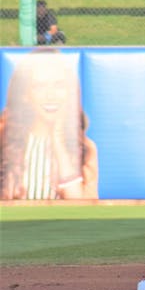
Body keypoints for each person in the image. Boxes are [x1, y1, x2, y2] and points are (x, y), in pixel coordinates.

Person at [1, 48, 98, 200]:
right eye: (40, 86)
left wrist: (60, 144)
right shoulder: (4, 140)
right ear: (25, 94)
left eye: (59, 85)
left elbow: (83, 207)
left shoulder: (86, 148)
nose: (50, 95)